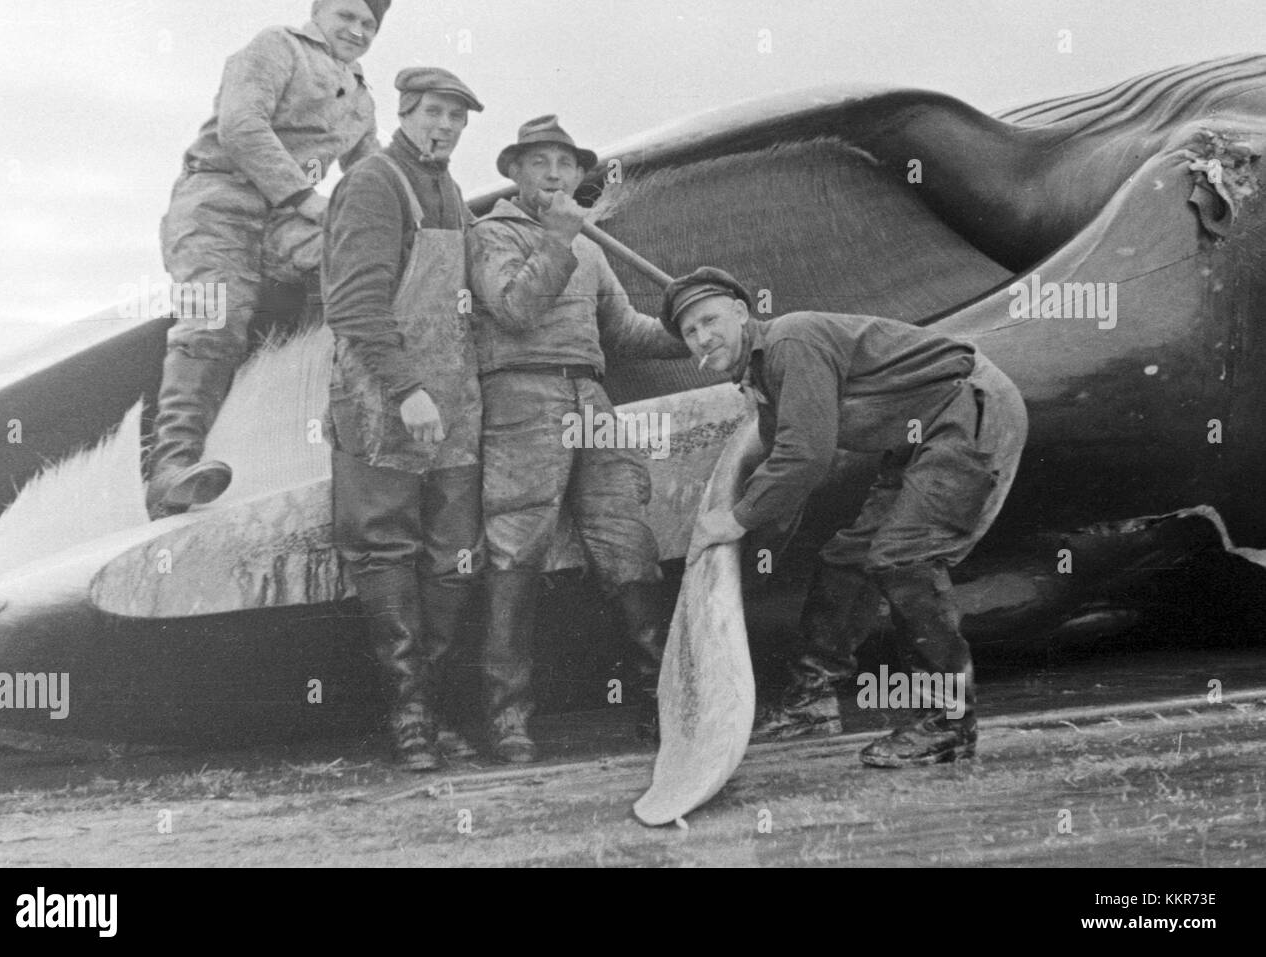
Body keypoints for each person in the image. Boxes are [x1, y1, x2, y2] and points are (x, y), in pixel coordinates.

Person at [667, 267, 1028, 767]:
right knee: (847, 557)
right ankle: (811, 701)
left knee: (904, 558)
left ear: (741, 313)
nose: (703, 337)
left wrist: (736, 519)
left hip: (966, 411)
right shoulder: (761, 379)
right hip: (916, 436)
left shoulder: (791, 342)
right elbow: (781, 467)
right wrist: (744, 548)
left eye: (710, 320)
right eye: (690, 332)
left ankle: (947, 723)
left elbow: (807, 456)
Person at [468, 116, 691, 763]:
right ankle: (509, 719)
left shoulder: (590, 248)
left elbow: (624, 331)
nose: (557, 175)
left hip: (590, 398)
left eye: (566, 164)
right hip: (519, 400)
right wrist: (560, 238)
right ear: (513, 172)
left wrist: (697, 324)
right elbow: (514, 307)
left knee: (626, 541)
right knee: (515, 554)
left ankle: (661, 699)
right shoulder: (488, 237)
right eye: (541, 163)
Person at [146, 0, 390, 520]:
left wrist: (429, 210)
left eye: (369, 24)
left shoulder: (362, 98)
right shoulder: (276, 46)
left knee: (364, 269)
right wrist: (305, 199)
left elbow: (373, 171)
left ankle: (353, 435)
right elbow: (242, 126)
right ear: (318, 12)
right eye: (346, 16)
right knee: (215, 321)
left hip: (284, 219)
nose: (358, 30)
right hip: (218, 200)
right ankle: (172, 468)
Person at [322, 67, 486, 771]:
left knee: (453, 556)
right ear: (405, 112)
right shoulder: (373, 182)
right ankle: (410, 717)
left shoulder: (450, 192)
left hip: (453, 402)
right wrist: (407, 390)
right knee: (384, 550)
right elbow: (354, 306)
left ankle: (439, 706)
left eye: (457, 117)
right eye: (435, 113)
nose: (445, 127)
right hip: (380, 402)